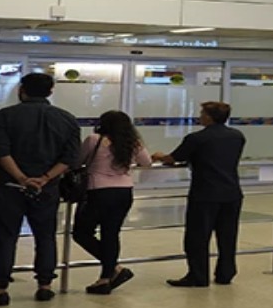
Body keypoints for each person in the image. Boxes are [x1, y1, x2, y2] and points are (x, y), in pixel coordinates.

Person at [0, 73, 79, 306]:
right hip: (47, 189)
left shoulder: (5, 116)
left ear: (21, 90)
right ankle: (45, 285)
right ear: (51, 91)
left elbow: (1, 152)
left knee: (6, 236)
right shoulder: (66, 119)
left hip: (9, 187)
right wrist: (44, 178)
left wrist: (22, 178)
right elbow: (69, 158)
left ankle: (0, 288)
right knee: (45, 236)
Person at [152, 101, 245, 287]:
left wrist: (160, 156)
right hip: (231, 192)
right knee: (228, 236)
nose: (200, 116)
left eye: (202, 113)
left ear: (209, 117)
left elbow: (174, 158)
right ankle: (225, 273)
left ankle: (198, 275)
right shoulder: (237, 136)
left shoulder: (197, 138)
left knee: (197, 237)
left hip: (205, 193)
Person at [73, 110, 152, 294]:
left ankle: (114, 269)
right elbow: (146, 162)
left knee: (81, 233)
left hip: (98, 191)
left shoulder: (94, 140)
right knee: (111, 234)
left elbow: (76, 162)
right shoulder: (133, 142)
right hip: (124, 192)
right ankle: (106, 277)